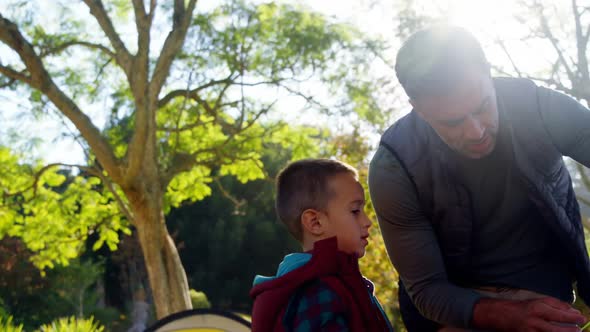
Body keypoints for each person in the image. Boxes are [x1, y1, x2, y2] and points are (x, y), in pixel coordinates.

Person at [368, 25, 590, 332]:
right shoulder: (394, 169)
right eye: (453, 122)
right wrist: (511, 315)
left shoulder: (541, 108)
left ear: (488, 73)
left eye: (483, 107)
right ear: (417, 108)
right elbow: (427, 290)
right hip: (456, 314)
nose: (476, 131)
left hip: (550, 300)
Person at [250, 158, 393, 332]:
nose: (367, 221)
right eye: (355, 211)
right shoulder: (319, 291)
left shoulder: (343, 280)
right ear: (315, 222)